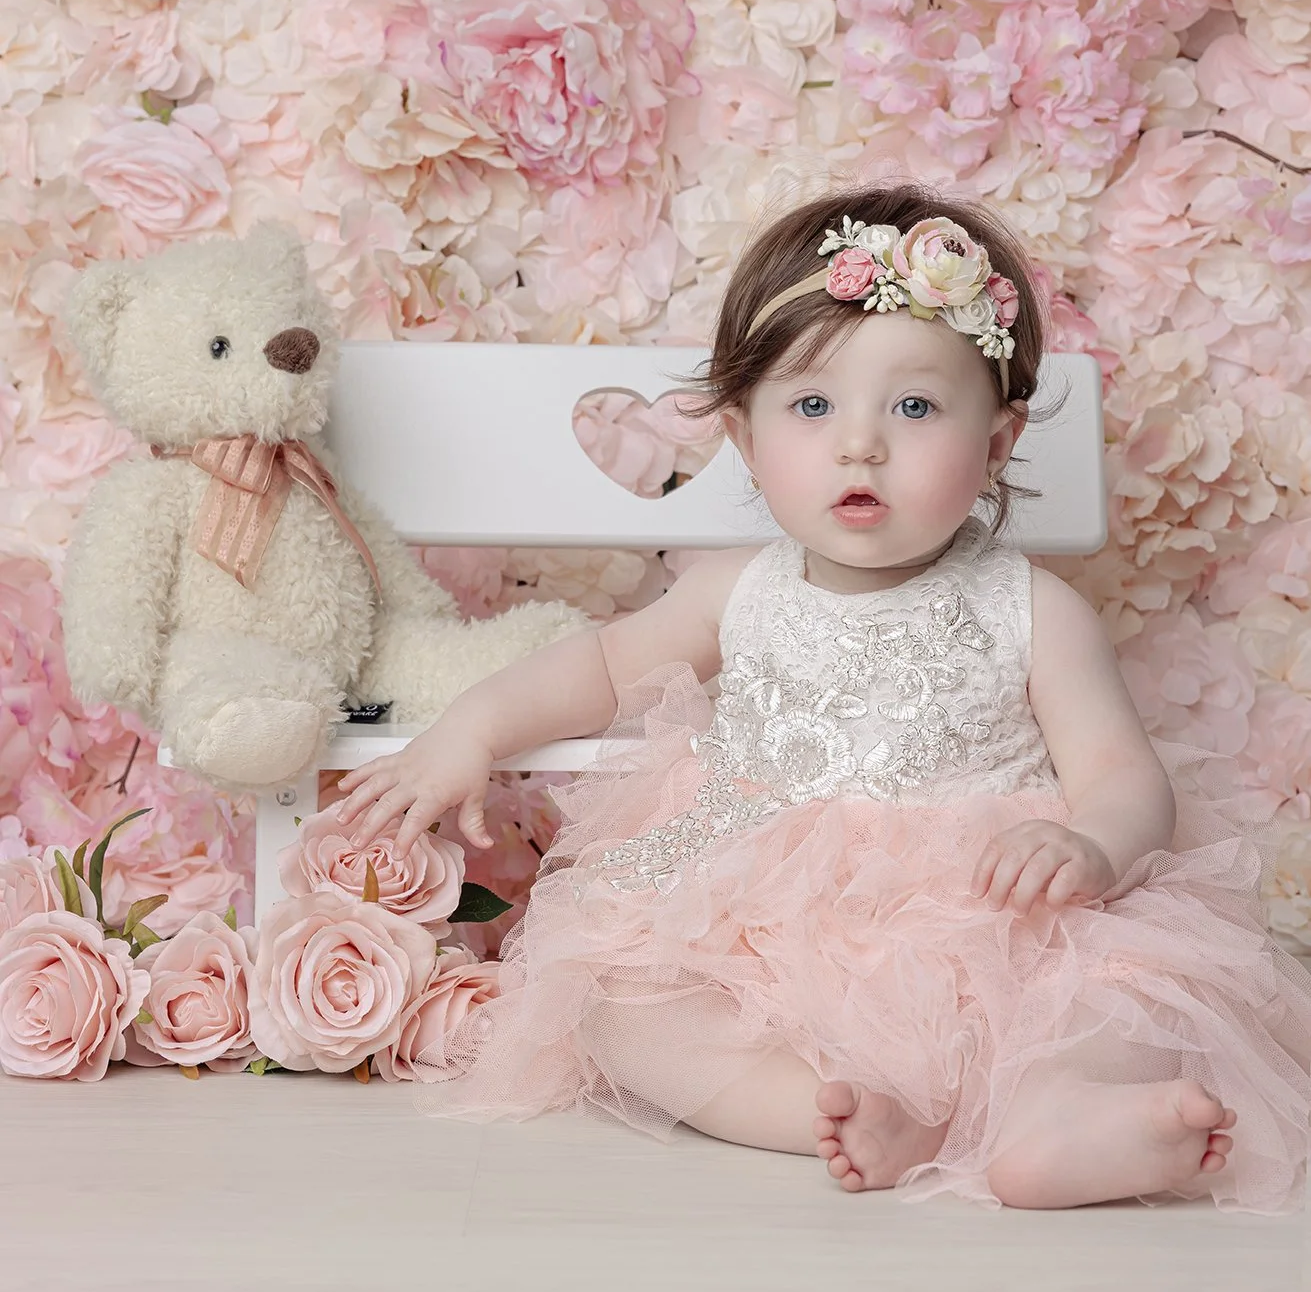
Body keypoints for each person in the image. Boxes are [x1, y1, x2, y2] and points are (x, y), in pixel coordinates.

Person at [336, 185, 1311, 1210]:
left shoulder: (1034, 609)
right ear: (749, 442)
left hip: (990, 915)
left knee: (1115, 994)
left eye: (915, 407)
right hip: (767, 920)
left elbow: (1122, 774)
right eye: (812, 406)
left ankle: (1059, 1111)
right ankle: (843, 1107)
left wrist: (1091, 846)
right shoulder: (735, 589)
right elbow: (601, 669)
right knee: (618, 1003)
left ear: (997, 442)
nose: (860, 445)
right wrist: (471, 728)